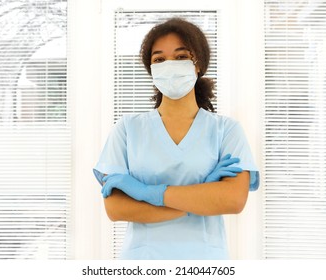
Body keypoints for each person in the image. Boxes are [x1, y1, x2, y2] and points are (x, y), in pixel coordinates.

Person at [93, 17, 259, 260]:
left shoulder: (226, 130)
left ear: (198, 64)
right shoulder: (128, 128)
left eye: (181, 57)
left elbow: (232, 200)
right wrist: (200, 197)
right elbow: (116, 208)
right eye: (159, 59)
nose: (170, 65)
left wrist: (145, 192)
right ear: (151, 70)